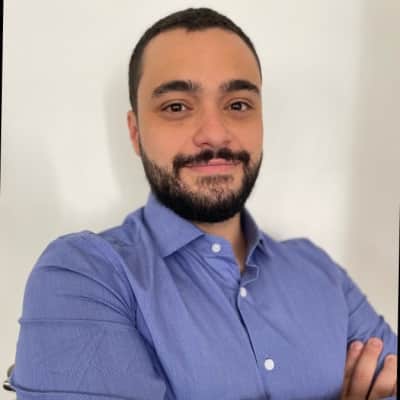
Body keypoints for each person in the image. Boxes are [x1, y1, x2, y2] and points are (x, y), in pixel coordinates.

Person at [10, 7, 397, 400]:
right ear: (135, 132)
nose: (215, 134)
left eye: (238, 105)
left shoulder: (319, 272)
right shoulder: (84, 275)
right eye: (177, 106)